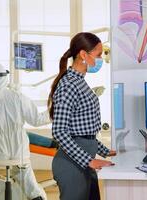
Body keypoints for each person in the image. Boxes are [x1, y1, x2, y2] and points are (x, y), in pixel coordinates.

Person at [48, 32, 116, 200]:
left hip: (84, 161)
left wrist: (105, 151)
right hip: (72, 165)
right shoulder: (69, 85)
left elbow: (83, 130)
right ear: (83, 54)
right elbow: (59, 132)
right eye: (98, 55)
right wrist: (89, 161)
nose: (101, 59)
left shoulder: (79, 81)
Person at [0, 63, 48, 200]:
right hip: (20, 150)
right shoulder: (19, 97)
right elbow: (37, 120)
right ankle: (36, 196)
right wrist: (56, 110)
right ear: (6, 78)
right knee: (23, 172)